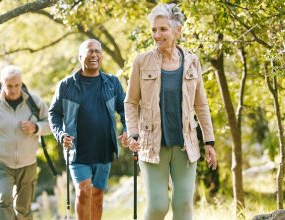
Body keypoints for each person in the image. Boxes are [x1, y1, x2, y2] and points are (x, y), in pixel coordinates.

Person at [124, 3, 218, 220]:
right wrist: (133, 133)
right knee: (158, 206)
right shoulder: (142, 61)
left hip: (186, 145)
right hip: (151, 144)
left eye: (163, 29)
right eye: (154, 30)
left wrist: (209, 141)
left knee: (183, 205)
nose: (157, 35)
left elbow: (201, 105)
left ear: (178, 30)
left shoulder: (192, 61)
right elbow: (130, 102)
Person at [48, 39, 127, 220]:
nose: (94, 55)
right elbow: (53, 114)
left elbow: (124, 109)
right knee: (84, 191)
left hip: (104, 148)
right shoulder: (66, 85)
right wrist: (61, 135)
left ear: (101, 56)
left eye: (97, 51)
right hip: (77, 150)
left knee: (97, 196)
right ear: (80, 56)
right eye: (89, 51)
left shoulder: (112, 83)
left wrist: (126, 129)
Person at [0, 65, 51, 220]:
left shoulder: (35, 102)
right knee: (4, 201)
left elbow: (51, 125)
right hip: (1, 164)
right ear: (2, 84)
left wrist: (36, 127)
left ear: (21, 83)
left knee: (23, 208)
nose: (14, 90)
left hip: (28, 163)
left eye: (17, 85)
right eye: (9, 86)